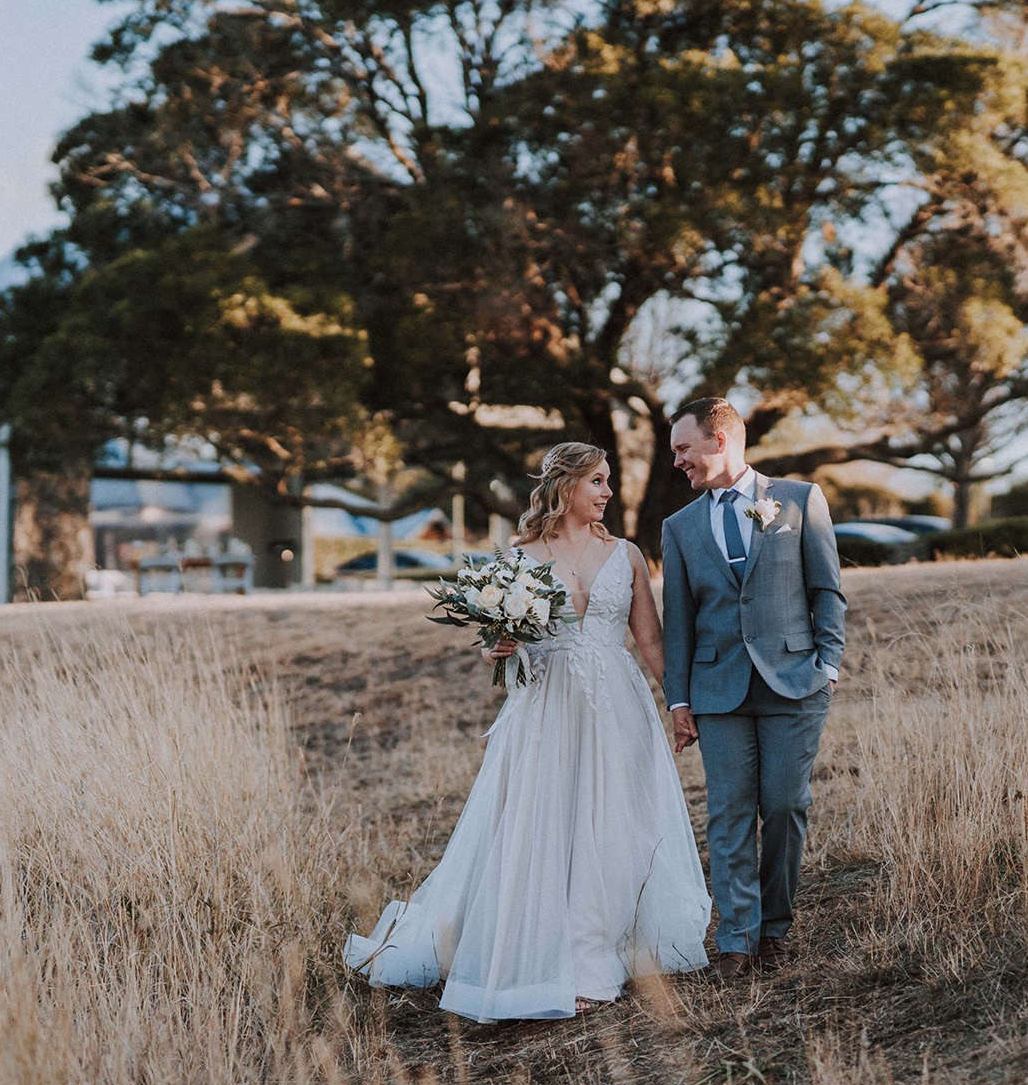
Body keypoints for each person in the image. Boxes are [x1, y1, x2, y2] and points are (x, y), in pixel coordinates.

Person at [343, 443, 711, 1021]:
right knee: (547, 824)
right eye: (597, 481)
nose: (608, 492)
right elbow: (498, 648)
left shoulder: (629, 556)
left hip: (617, 703)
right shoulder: (520, 558)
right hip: (548, 706)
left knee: (612, 823)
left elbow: (652, 643)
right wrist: (499, 646)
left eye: (608, 481)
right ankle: (551, 953)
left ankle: (596, 952)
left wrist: (680, 706)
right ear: (566, 487)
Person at [660, 399, 845, 979]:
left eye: (683, 449)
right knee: (729, 813)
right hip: (717, 691)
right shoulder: (679, 527)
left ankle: (774, 929)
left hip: (794, 682)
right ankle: (737, 941)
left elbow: (827, 591)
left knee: (786, 806)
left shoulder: (799, 499)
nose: (677, 462)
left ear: (720, 441)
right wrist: (680, 699)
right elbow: (680, 621)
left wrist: (828, 666)